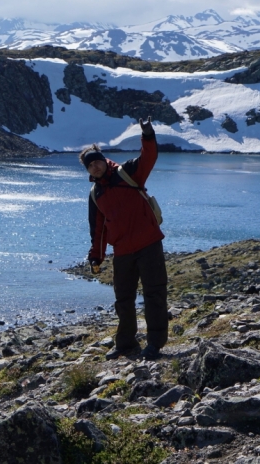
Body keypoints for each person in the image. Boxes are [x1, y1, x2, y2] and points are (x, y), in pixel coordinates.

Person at [80, 117, 168, 360]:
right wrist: (96, 257)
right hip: (123, 252)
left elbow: (148, 157)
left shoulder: (127, 172)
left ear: (103, 161)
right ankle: (126, 343)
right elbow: (98, 229)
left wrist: (147, 134)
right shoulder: (96, 194)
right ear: (88, 170)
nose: (95, 167)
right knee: (123, 300)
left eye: (97, 162)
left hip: (148, 243)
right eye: (90, 166)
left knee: (154, 294)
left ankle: (155, 343)